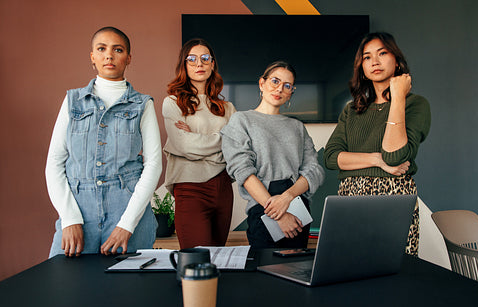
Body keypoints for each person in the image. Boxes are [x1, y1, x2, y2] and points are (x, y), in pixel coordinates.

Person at [46, 26, 162, 257]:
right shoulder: (72, 101)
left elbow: (153, 165)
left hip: (129, 212)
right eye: (101, 49)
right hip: (79, 212)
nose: (109, 55)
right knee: (65, 288)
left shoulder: (143, 104)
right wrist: (69, 219)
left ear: (128, 58)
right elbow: (54, 163)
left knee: (129, 291)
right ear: (92, 56)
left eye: (117, 50)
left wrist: (127, 225)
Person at [324, 32, 431, 256]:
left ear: (397, 60)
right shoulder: (352, 110)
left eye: (382, 53)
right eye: (367, 57)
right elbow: (332, 157)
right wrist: (377, 161)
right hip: (350, 199)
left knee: (394, 276)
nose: (375, 61)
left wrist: (399, 96)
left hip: (393, 200)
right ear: (361, 66)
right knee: (350, 270)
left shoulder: (416, 105)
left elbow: (395, 156)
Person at [221, 61, 325, 249]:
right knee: (264, 274)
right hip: (263, 208)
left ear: (291, 92)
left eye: (287, 86)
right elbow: (242, 170)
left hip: (297, 208)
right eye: (275, 81)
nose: (280, 89)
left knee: (297, 272)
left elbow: (314, 170)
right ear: (262, 83)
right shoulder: (241, 120)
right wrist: (279, 214)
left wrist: (287, 198)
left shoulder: (297, 127)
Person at [162, 38, 236, 249]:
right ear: (184, 65)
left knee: (217, 261)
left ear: (213, 64)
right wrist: (222, 139)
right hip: (190, 187)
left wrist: (198, 139)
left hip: (223, 187)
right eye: (192, 59)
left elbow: (237, 147)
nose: (199, 64)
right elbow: (184, 145)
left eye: (205, 58)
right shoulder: (173, 102)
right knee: (196, 262)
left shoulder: (227, 107)